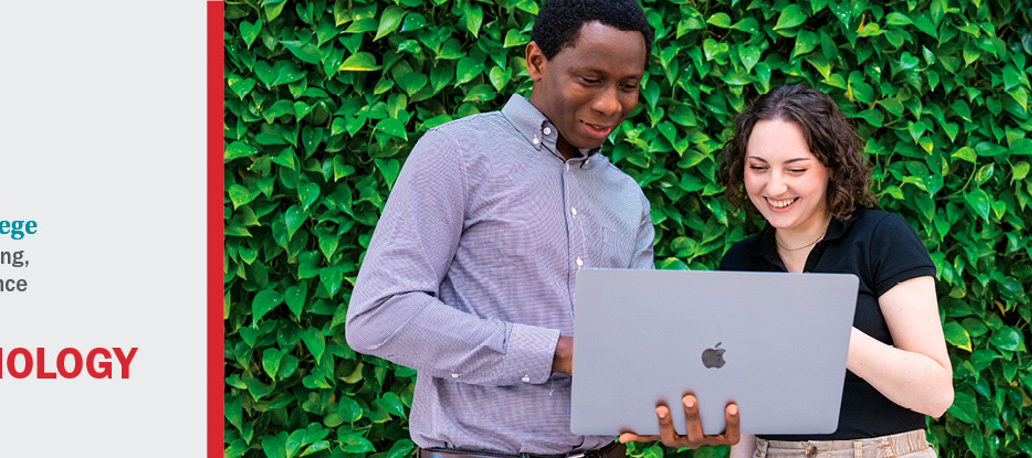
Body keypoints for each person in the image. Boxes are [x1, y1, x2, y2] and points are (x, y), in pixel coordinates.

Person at [346, 1, 736, 456]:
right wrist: (558, 352)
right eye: (590, 80)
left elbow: (633, 351)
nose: (611, 104)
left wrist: (674, 411)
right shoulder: (455, 155)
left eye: (628, 86)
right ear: (536, 61)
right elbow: (380, 315)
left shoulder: (628, 198)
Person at [713, 84, 954, 458]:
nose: (774, 186)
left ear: (831, 167)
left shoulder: (882, 238)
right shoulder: (740, 263)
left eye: (796, 169)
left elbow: (936, 394)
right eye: (757, 167)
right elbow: (745, 412)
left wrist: (828, 331)